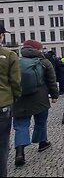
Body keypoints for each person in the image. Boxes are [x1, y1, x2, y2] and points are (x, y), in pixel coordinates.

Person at [13, 40, 59, 166]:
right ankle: (42, 142)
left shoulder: (16, 60)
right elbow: (51, 80)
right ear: (37, 49)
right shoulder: (44, 62)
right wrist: (55, 95)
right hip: (40, 98)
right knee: (40, 121)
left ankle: (20, 152)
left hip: (19, 98)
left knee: (21, 125)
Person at [0, 25, 22, 176]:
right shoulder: (8, 55)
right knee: (1, 146)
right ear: (1, 36)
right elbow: (15, 82)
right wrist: (14, 98)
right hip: (3, 104)